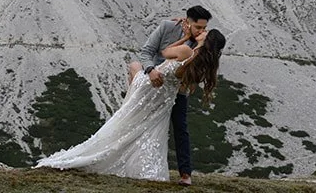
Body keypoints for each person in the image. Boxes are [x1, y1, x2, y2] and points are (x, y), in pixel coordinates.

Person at [36, 29, 225, 182]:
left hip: (150, 87)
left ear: (206, 39)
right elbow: (186, 86)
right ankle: (141, 162)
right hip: (164, 96)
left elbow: (165, 52)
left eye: (204, 32)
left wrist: (184, 38)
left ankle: (127, 102)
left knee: (134, 66)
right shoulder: (201, 64)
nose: (201, 31)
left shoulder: (186, 51)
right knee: (149, 128)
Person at [129, 5, 211, 184]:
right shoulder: (167, 27)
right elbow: (147, 52)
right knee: (140, 123)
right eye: (198, 27)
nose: (202, 31)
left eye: (205, 28)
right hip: (154, 82)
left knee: (180, 127)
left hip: (176, 90)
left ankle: (185, 174)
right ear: (187, 22)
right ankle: (133, 162)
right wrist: (150, 70)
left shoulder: (200, 43)